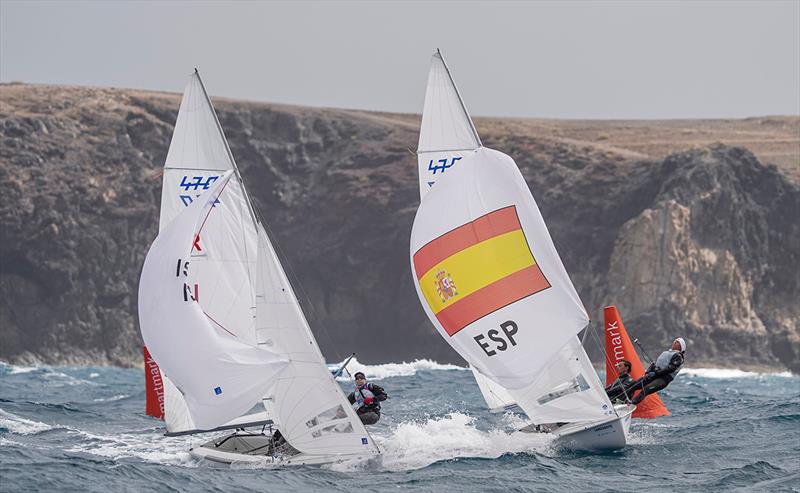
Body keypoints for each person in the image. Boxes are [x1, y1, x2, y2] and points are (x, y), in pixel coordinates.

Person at [628, 337, 686, 405]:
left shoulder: (678, 356)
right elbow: (656, 364)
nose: (674, 342)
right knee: (634, 385)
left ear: (681, 347)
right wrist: (648, 372)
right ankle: (623, 400)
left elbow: (671, 368)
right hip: (654, 375)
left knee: (647, 388)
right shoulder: (665, 353)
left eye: (677, 342)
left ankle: (631, 403)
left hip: (663, 379)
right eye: (675, 341)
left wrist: (656, 372)